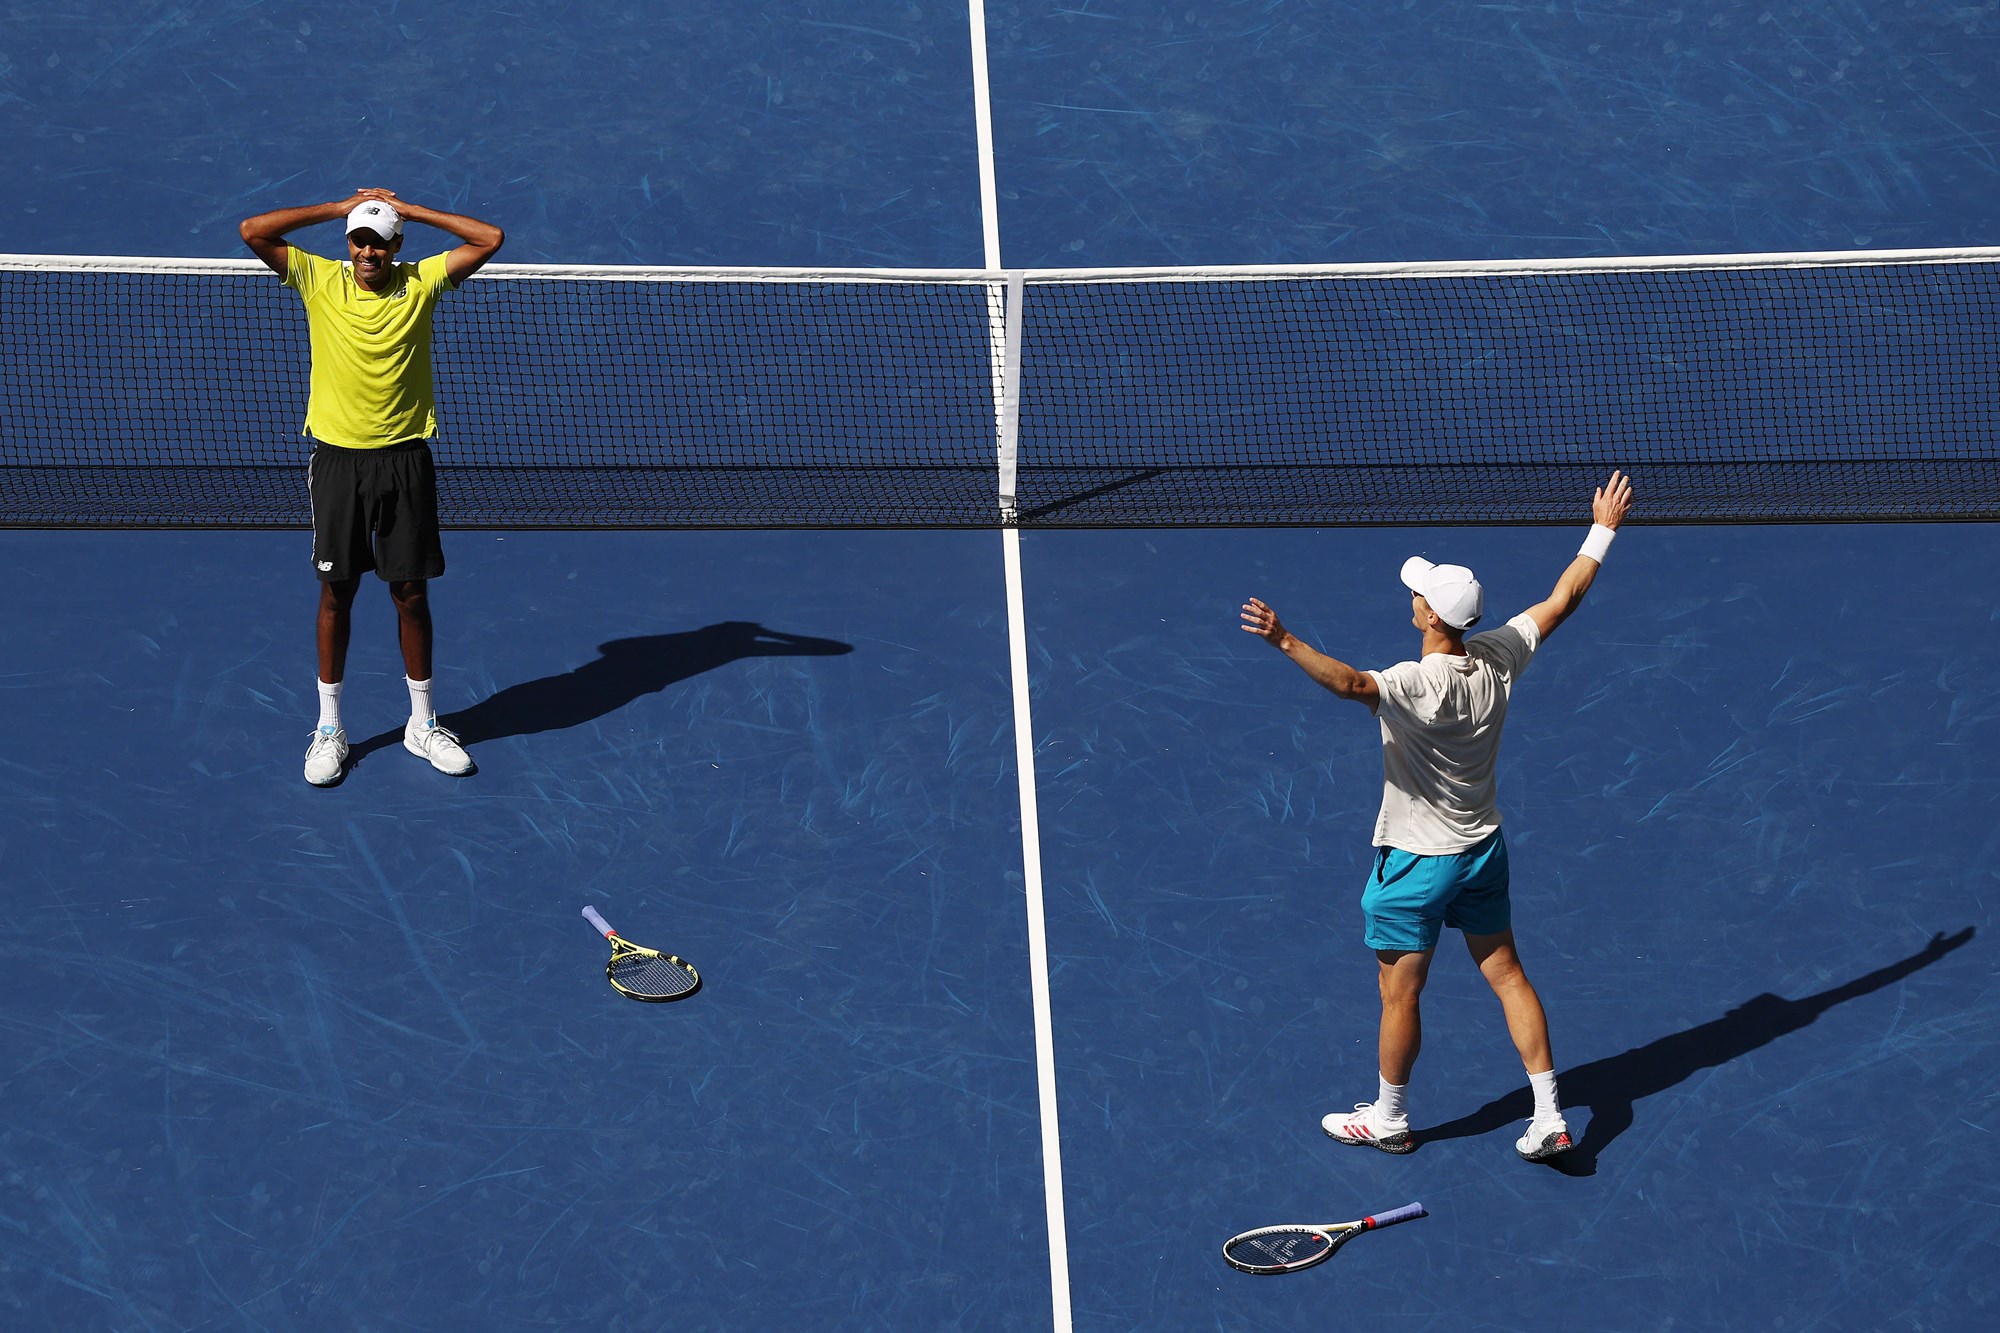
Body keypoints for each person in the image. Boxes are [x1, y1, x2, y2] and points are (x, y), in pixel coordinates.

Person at [1239, 471, 1634, 1161]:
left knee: (1400, 993)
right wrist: (1603, 527)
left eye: (1418, 593)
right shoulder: (1498, 659)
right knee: (1507, 970)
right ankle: (1549, 1113)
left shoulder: (1410, 685)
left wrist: (1283, 639)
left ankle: (1390, 1116)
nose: (1413, 597)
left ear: (1429, 617)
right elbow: (1565, 595)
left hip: (1418, 865)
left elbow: (1351, 683)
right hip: (1483, 849)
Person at [239, 189, 504, 787]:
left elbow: (489, 239)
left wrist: (410, 209)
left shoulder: (422, 283)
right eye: (359, 239)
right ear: (349, 243)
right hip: (338, 463)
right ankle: (331, 727)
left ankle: (422, 723)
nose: (367, 251)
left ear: (396, 247)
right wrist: (339, 208)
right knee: (337, 591)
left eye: (379, 241)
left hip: (405, 460)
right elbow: (254, 229)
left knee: (410, 593)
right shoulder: (317, 279)